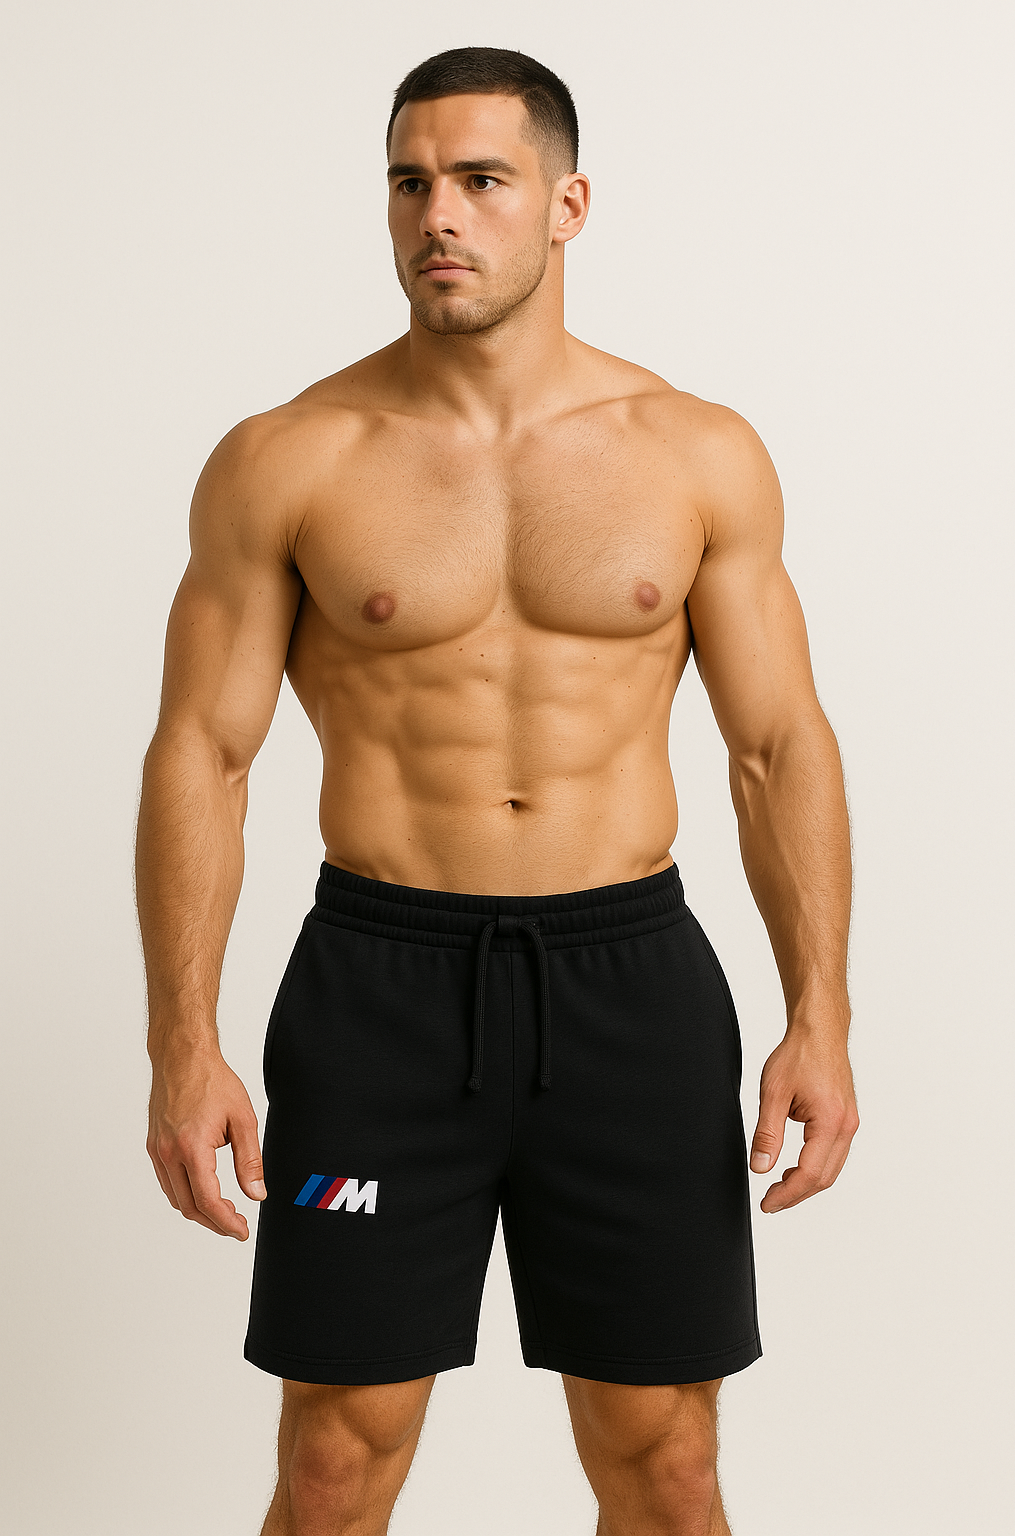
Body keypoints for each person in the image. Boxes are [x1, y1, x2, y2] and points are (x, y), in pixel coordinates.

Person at [135, 44, 859, 1536]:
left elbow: (777, 745)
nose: (440, 216)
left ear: (568, 204)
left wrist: (823, 1016)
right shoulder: (289, 458)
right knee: (335, 1462)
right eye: (410, 184)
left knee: (666, 1464)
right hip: (378, 1003)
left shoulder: (695, 452)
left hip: (632, 996)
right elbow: (203, 752)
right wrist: (182, 1044)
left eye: (481, 180)